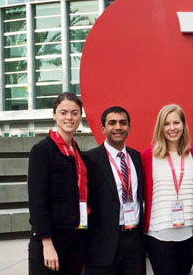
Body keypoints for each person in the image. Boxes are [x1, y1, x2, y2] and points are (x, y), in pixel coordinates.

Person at [28, 92, 88, 274]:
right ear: (54, 115)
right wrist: (46, 243)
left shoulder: (78, 152)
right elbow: (37, 201)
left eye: (74, 112)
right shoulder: (42, 151)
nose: (69, 117)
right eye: (63, 112)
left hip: (76, 238)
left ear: (80, 116)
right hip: (51, 241)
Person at [141, 104, 193, 275]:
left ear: (184, 125)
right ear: (160, 127)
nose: (172, 128)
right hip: (158, 232)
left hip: (190, 230)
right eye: (166, 124)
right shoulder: (147, 156)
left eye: (176, 122)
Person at [85, 106, 145, 275]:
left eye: (123, 123)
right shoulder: (90, 159)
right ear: (103, 128)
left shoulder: (136, 157)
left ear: (129, 128)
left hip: (134, 243)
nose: (118, 127)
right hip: (103, 245)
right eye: (112, 123)